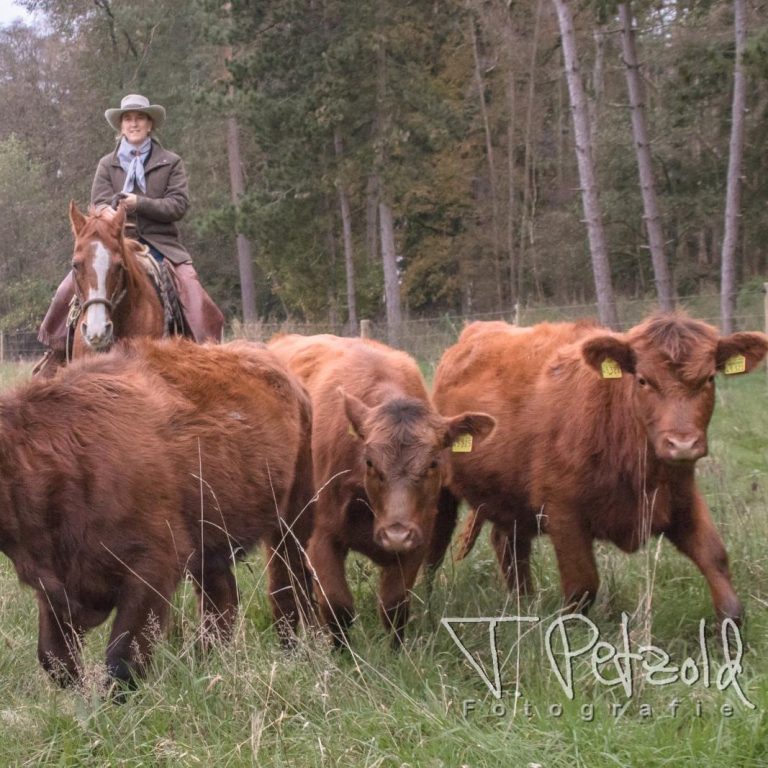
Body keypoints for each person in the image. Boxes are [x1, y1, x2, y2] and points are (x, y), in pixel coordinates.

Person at [34, 93, 224, 376]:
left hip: (160, 244)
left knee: (192, 290)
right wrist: (108, 212)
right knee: (68, 287)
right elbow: (97, 202)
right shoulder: (106, 164)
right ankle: (56, 352)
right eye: (128, 119)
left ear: (150, 125)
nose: (134, 123)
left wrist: (140, 203)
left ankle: (210, 362)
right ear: (121, 126)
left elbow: (178, 205)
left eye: (140, 118)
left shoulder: (170, 162)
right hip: (112, 240)